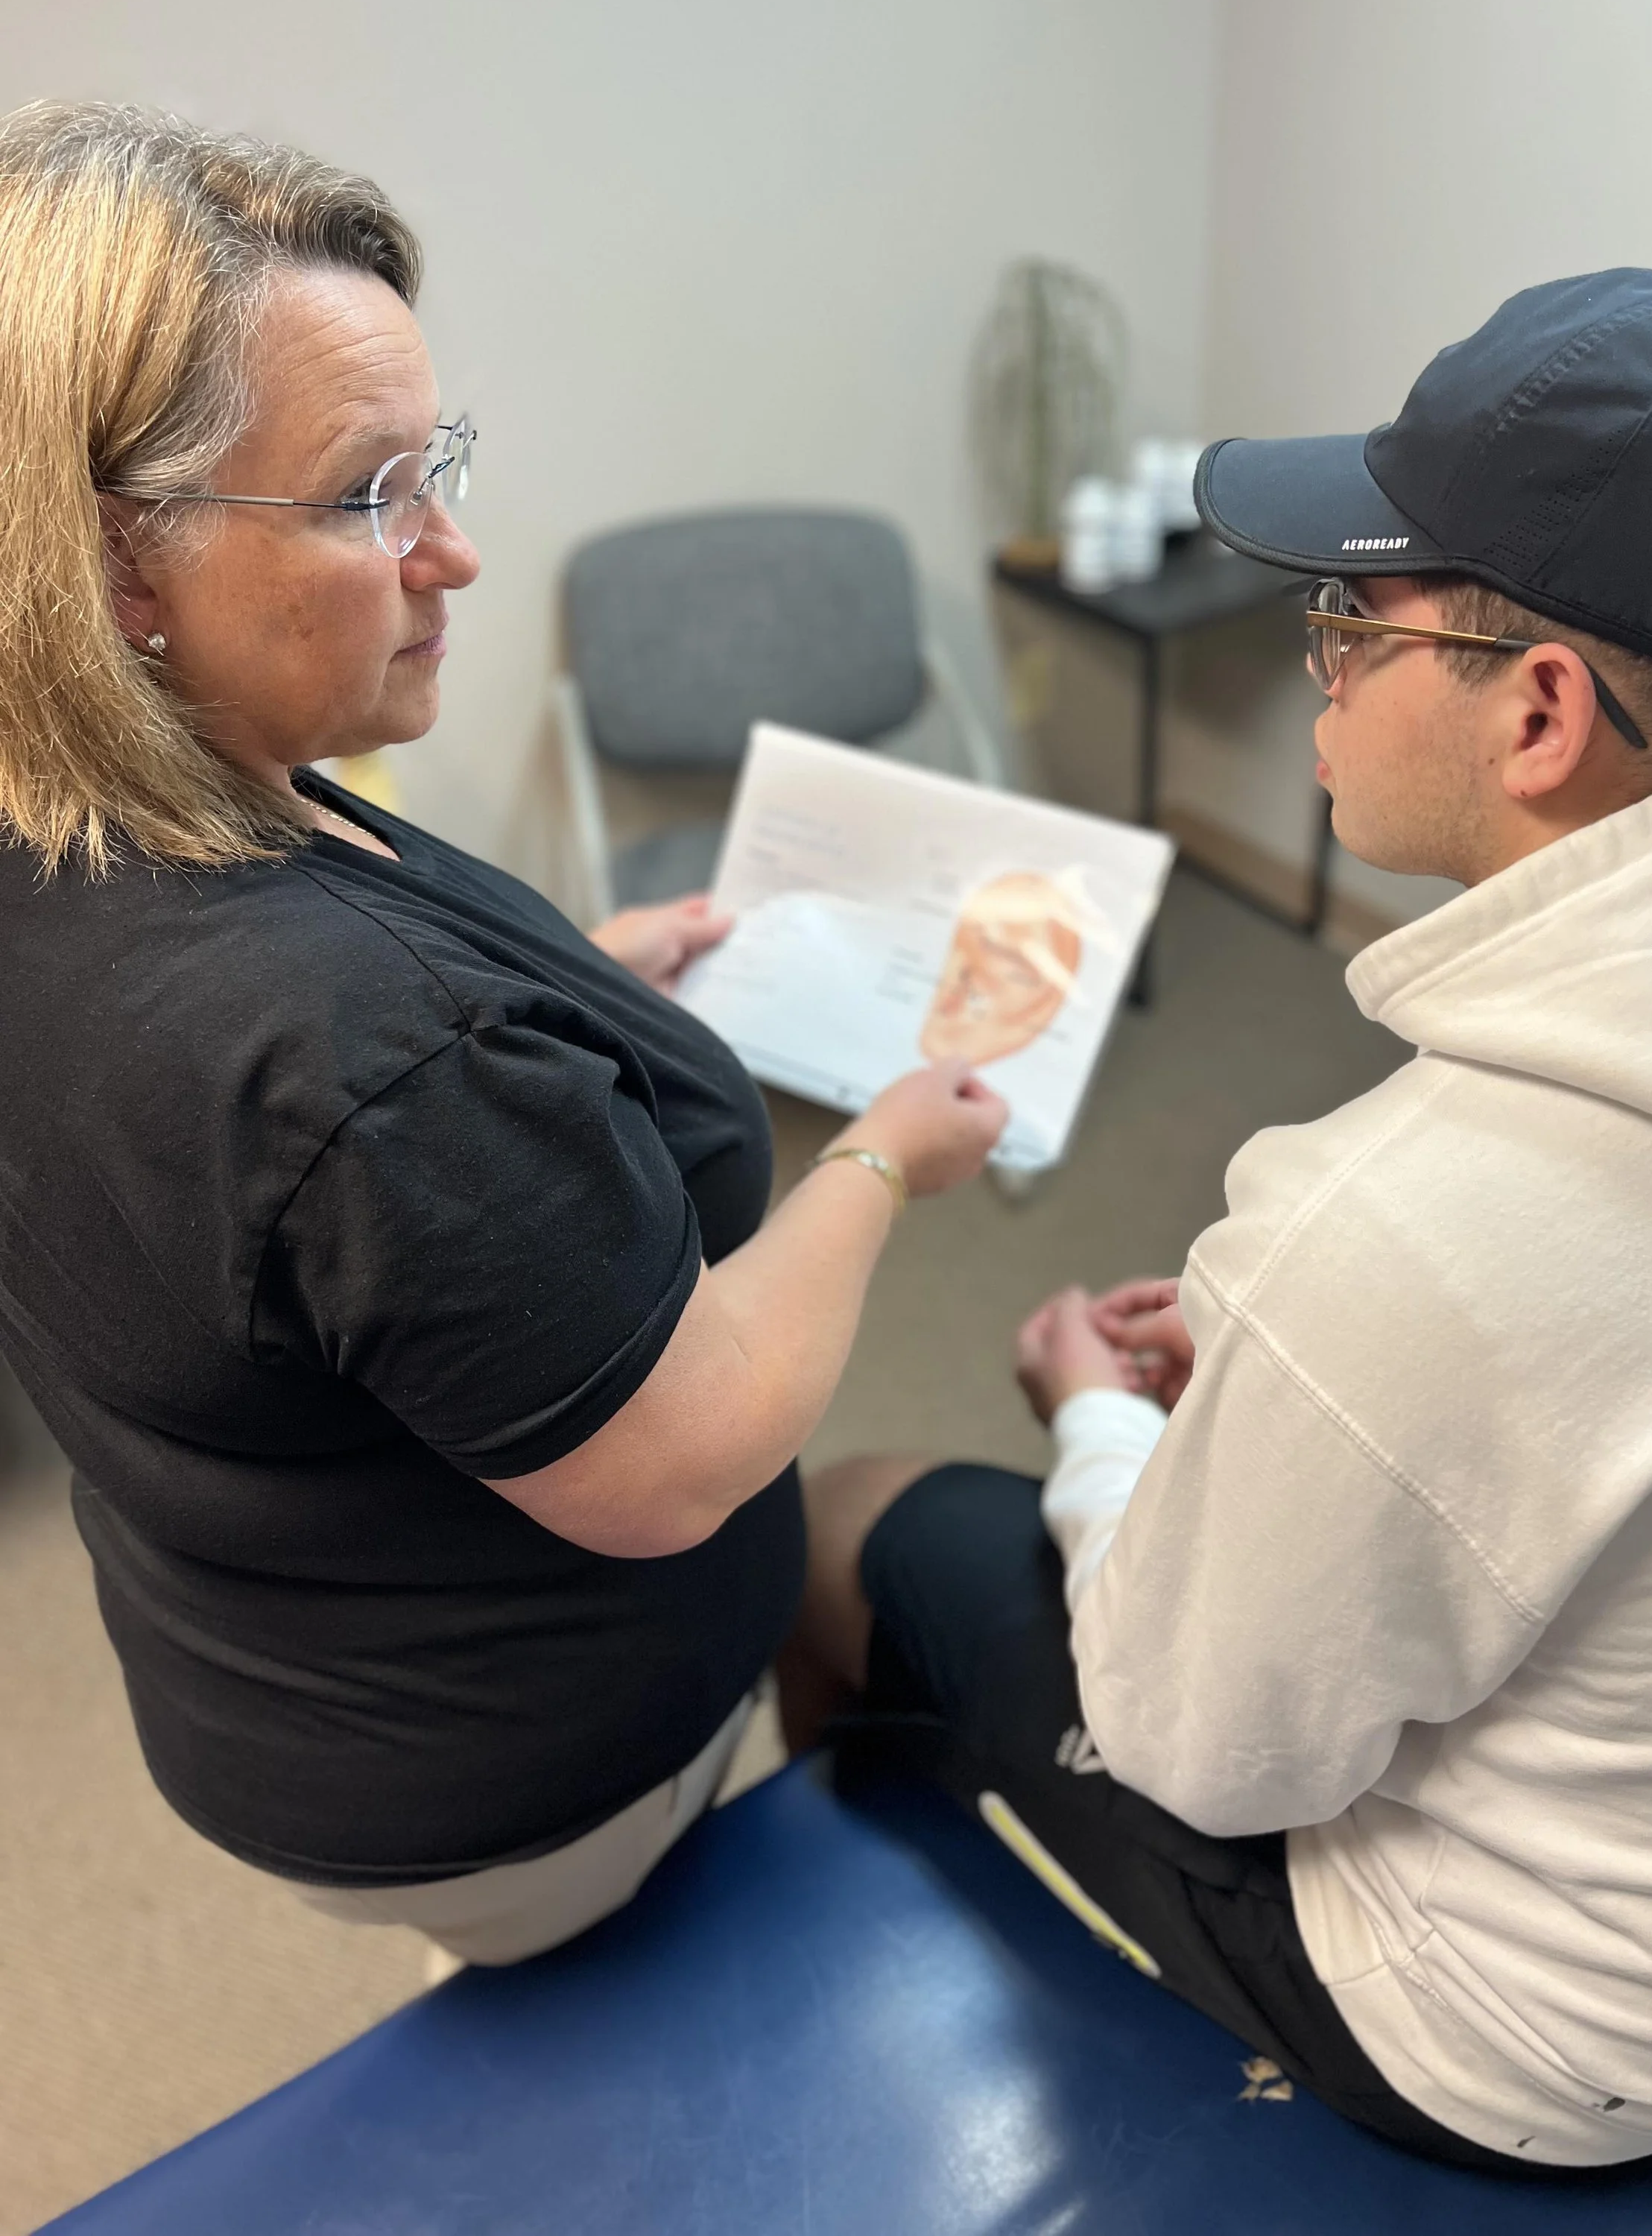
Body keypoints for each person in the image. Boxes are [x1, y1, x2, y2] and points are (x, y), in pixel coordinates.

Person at [783, 268, 1652, 2173]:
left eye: (1352, 618)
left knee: (845, 1524)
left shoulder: (1388, 1229)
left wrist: (1100, 1417)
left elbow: (1198, 1740)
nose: (1319, 664)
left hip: (1544, 2046)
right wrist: (1313, 1405)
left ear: (1538, 713)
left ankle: (894, 1981)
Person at [0, 101, 1004, 1965]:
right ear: (120, 573)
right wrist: (879, 1153)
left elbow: (253, 1184)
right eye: (374, 494)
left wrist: (565, 987)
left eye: (434, 460)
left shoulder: (86, 823)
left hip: (262, 1677)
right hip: (521, 1779)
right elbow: (686, 1449)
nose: (454, 554)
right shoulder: (362, 1049)